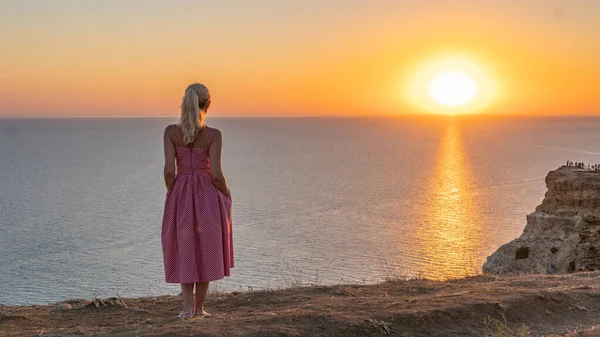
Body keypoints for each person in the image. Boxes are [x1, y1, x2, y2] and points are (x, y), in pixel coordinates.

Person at [161, 83, 234, 319]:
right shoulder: (213, 136)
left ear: (184, 102)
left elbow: (169, 172)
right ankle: (199, 309)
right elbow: (216, 174)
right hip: (207, 197)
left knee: (185, 249)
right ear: (208, 105)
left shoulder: (170, 133)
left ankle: (185, 310)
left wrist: (175, 192)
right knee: (206, 249)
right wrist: (226, 193)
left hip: (180, 194)